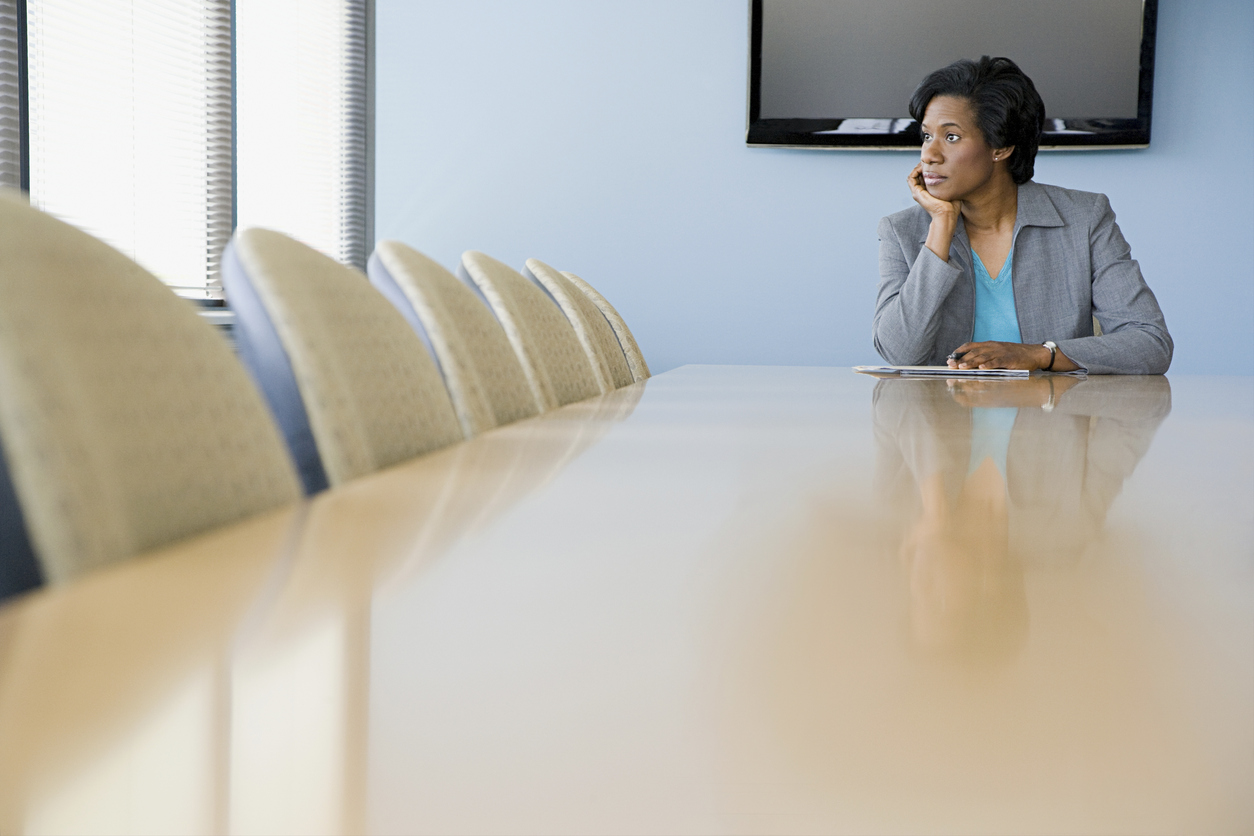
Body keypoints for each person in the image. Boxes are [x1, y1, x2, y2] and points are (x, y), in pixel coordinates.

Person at [873, 57, 1172, 374]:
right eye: (926, 136)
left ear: (1000, 146)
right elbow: (899, 353)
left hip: (1049, 417)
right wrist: (941, 227)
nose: (929, 155)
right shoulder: (900, 230)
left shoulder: (1084, 219)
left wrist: (1041, 355)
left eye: (951, 137)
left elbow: (1150, 344)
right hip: (944, 419)